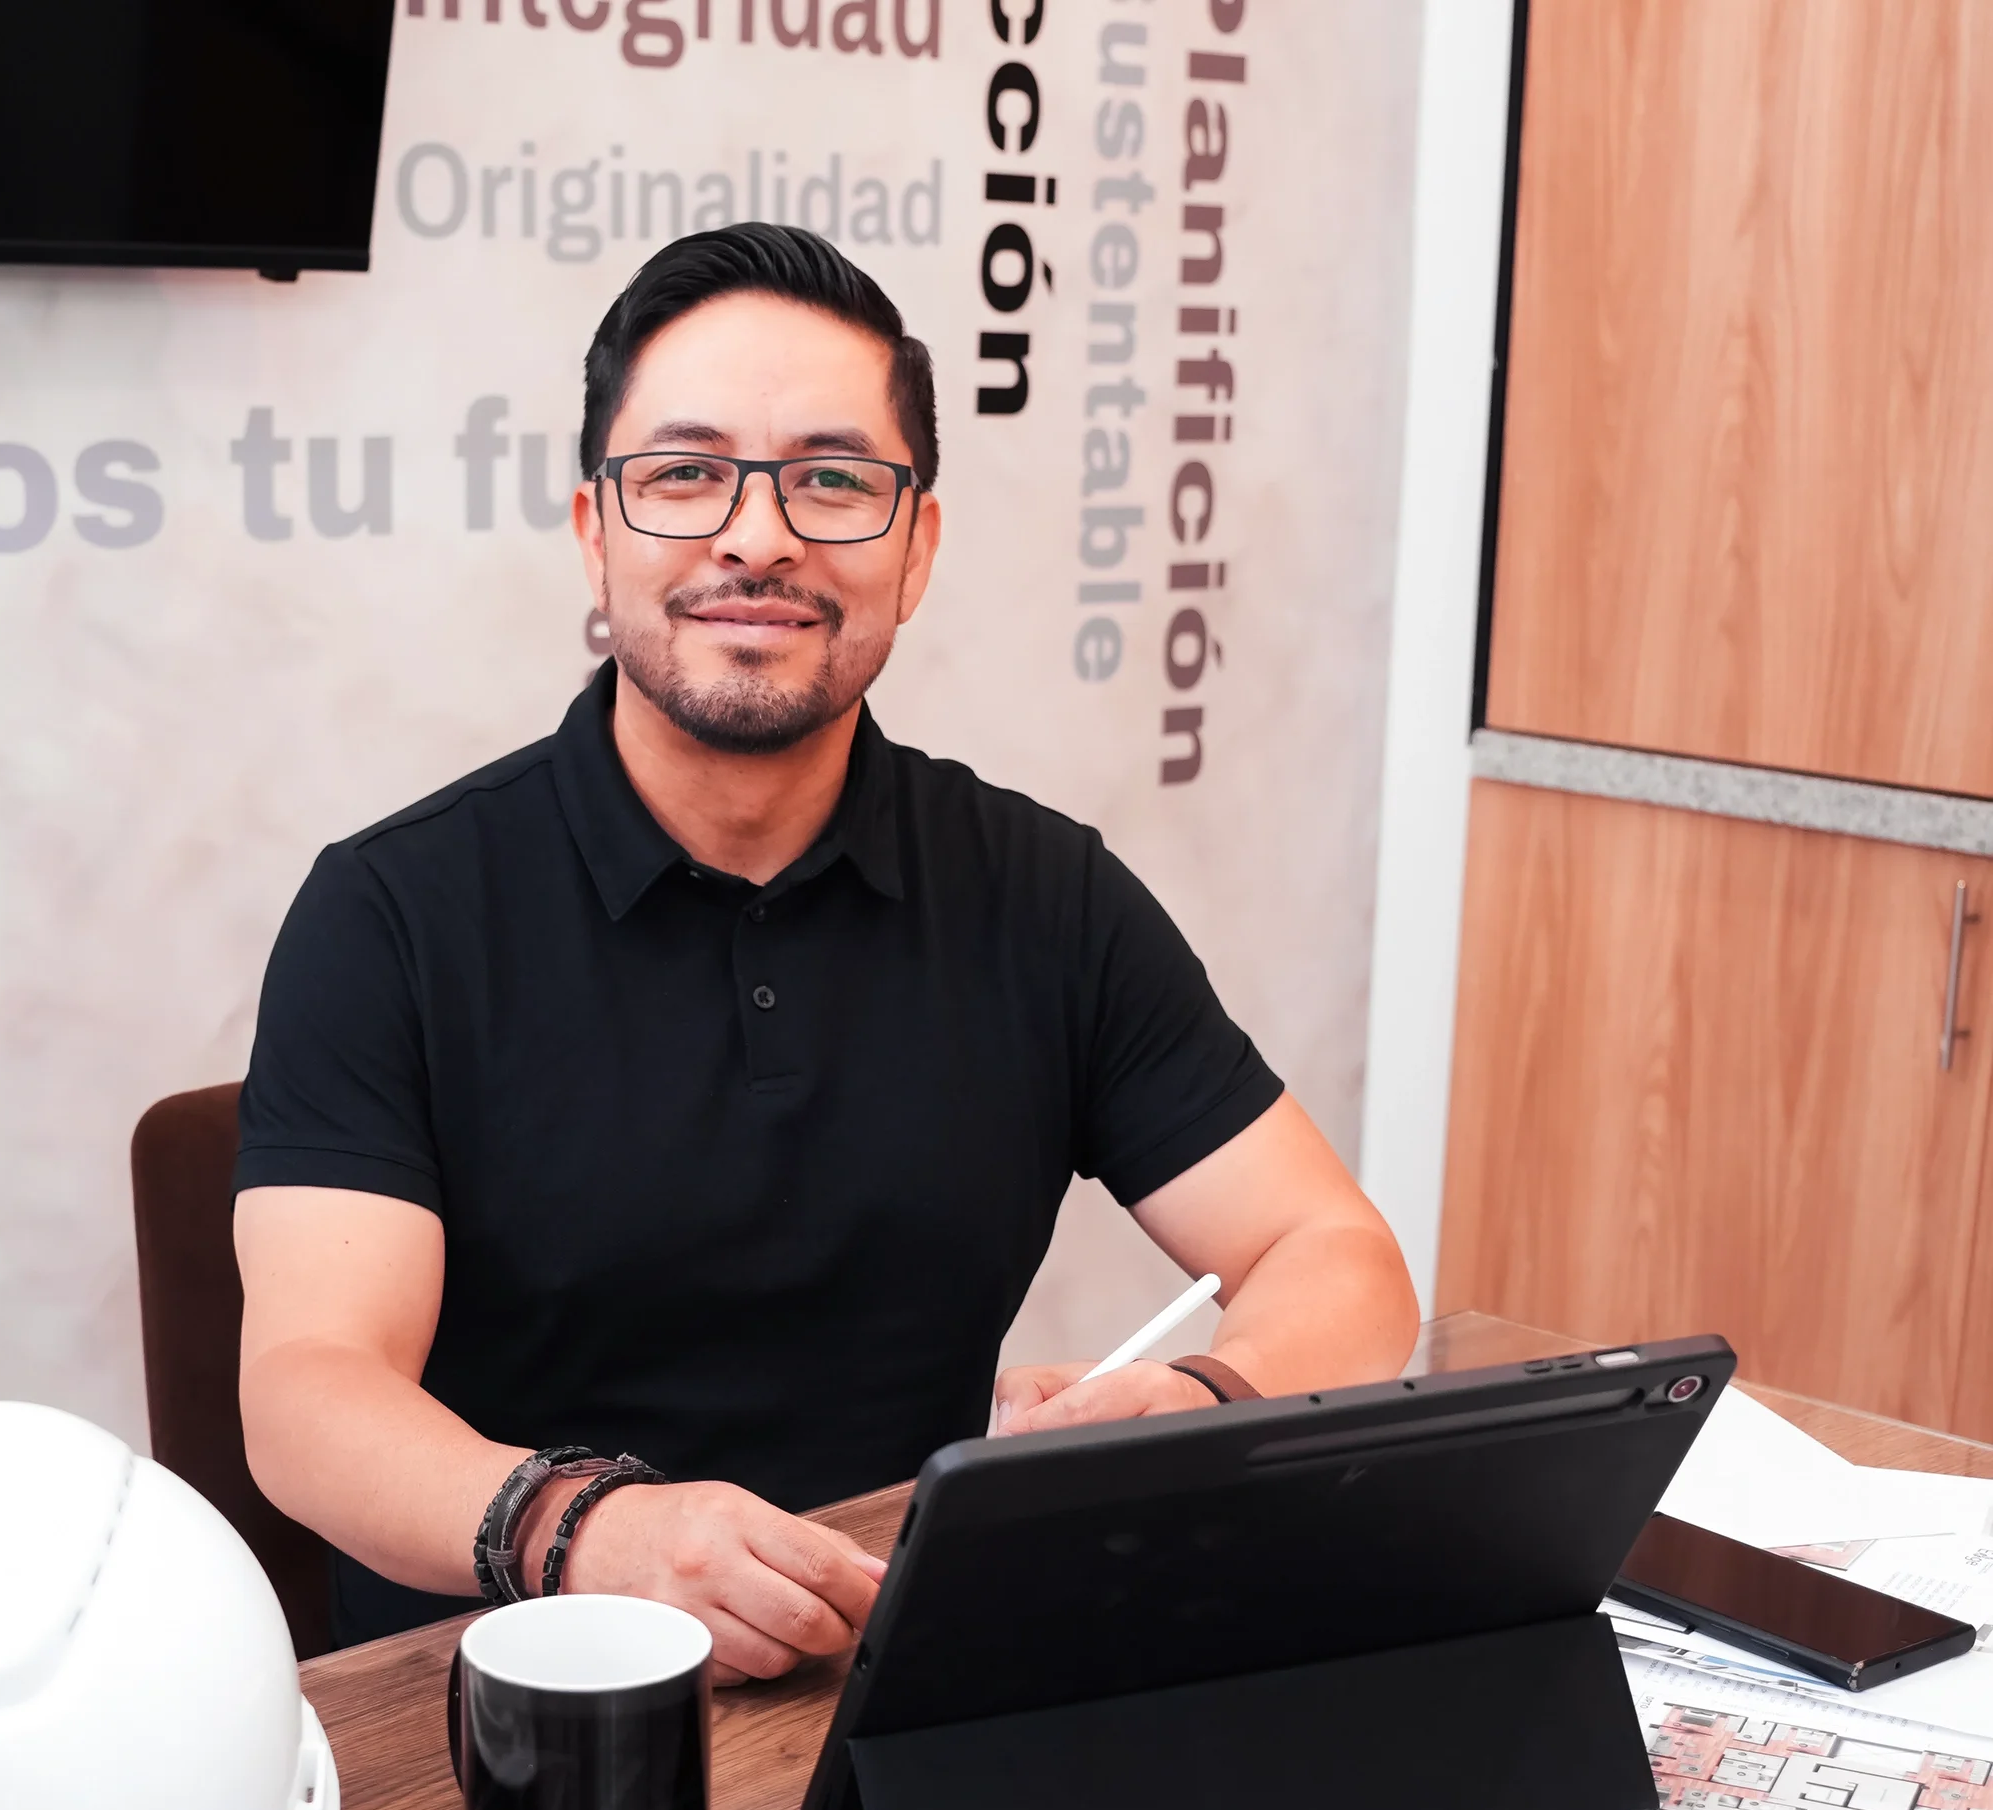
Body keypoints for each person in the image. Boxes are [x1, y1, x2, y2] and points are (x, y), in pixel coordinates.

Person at [234, 224, 1417, 1681]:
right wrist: (591, 1531)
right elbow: (306, 1391)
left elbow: (1341, 1257)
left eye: (833, 480)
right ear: (595, 530)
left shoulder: (1043, 893)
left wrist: (1205, 1391)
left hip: (908, 1677)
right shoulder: (392, 915)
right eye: (685, 474)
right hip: (512, 1721)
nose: (758, 537)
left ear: (916, 548)